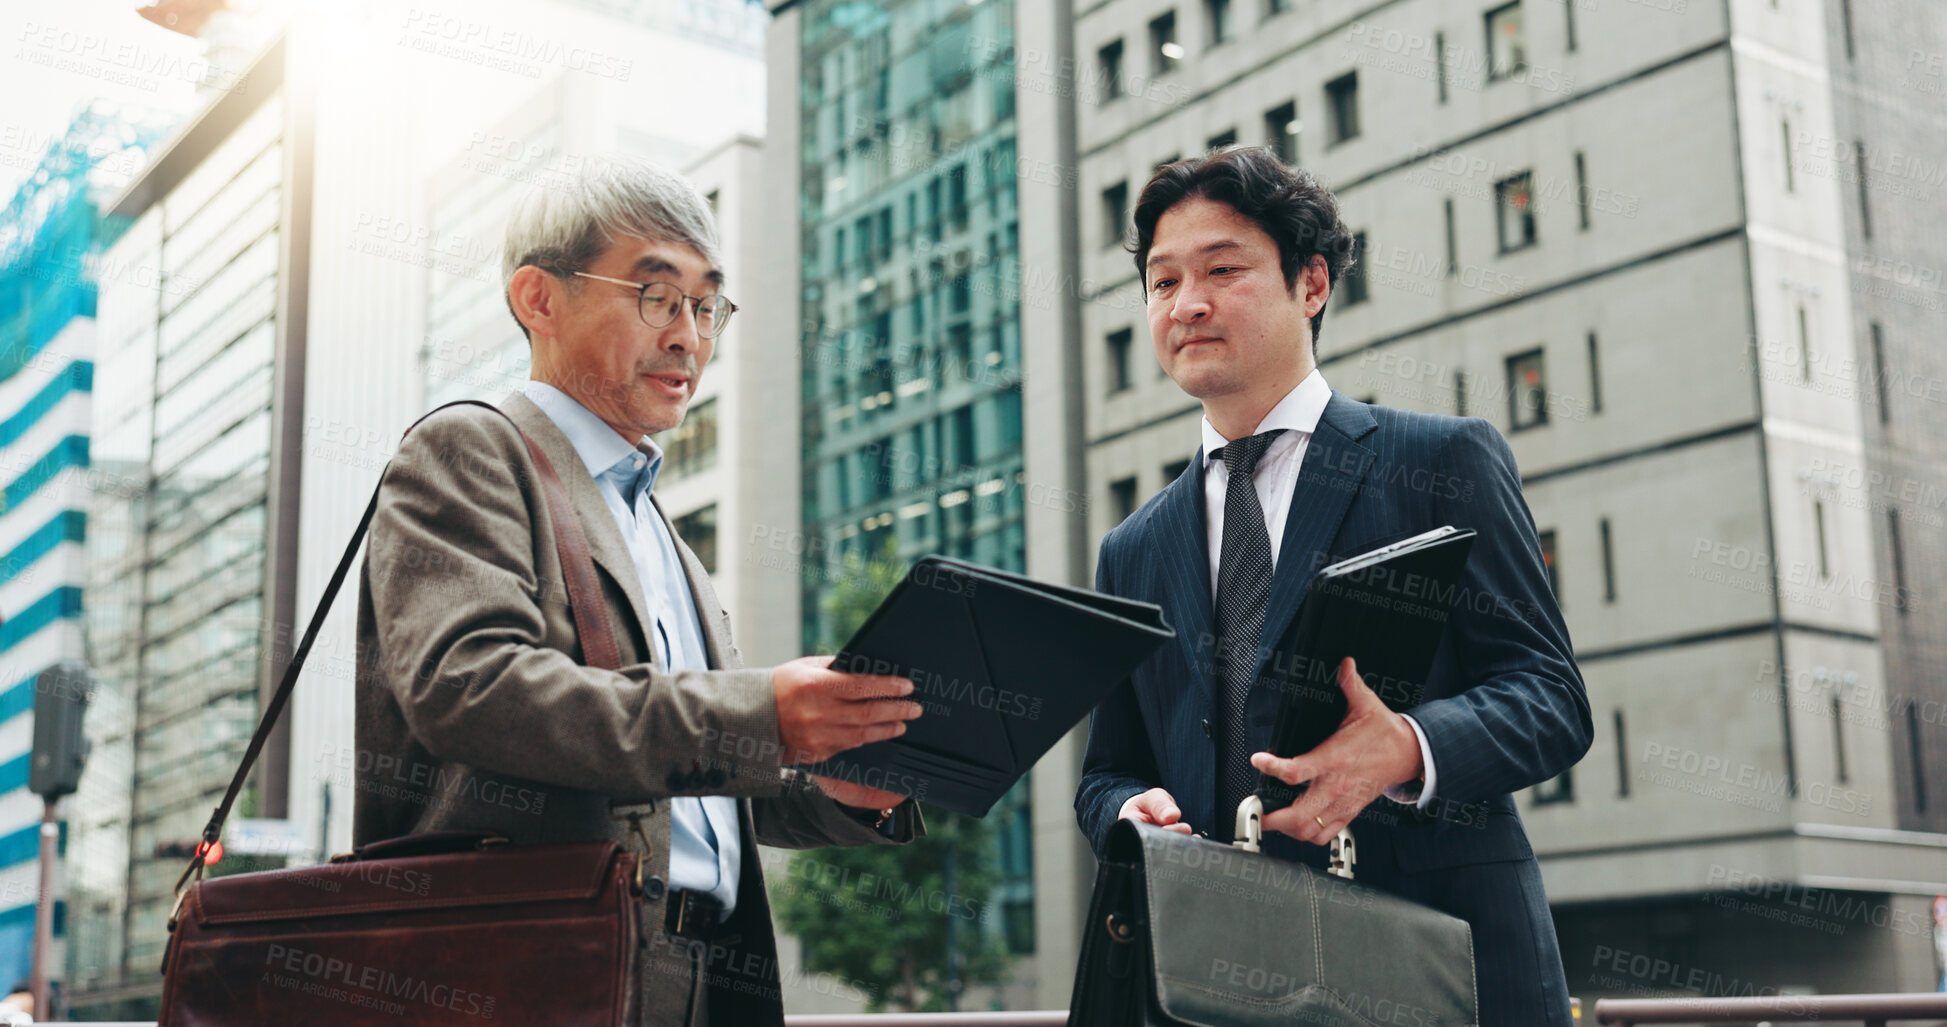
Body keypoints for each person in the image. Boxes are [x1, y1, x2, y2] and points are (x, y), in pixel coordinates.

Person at [355, 154, 925, 1027]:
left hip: (706, 971)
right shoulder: (471, 450)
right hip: (538, 976)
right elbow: (471, 688)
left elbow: (680, 788)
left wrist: (829, 783)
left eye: (707, 307)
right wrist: (760, 715)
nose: (689, 336)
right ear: (538, 299)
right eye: (657, 297)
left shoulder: (655, 524)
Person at [1074, 147, 1593, 1026]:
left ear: (1310, 283)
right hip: (1217, 985)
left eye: (1222, 269)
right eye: (1162, 283)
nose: (1186, 303)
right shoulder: (1132, 546)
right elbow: (1106, 771)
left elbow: (1550, 700)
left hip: (1438, 972)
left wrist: (1408, 748)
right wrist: (1130, 809)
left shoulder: (1439, 461)